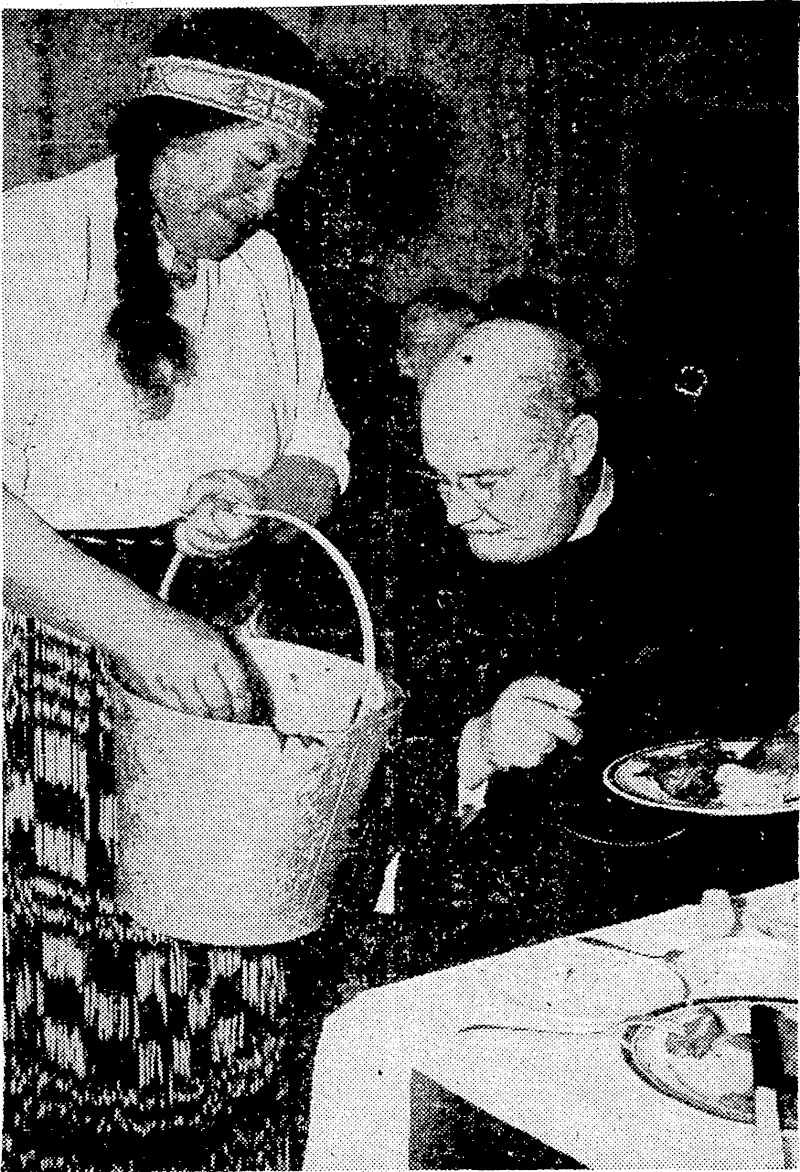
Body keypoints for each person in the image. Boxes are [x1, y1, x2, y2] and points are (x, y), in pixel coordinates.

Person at [3, 12, 353, 1170]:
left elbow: (322, 448)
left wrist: (258, 495)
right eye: (254, 162)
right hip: (61, 671)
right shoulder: (26, 242)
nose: (267, 200)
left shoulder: (260, 271)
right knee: (87, 994)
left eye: (286, 176)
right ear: (171, 128)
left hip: (222, 649)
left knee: (233, 962)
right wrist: (135, 626)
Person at [391, 318, 798, 972]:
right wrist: (477, 747)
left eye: (485, 481)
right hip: (489, 941)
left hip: (689, 924)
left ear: (576, 447)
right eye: (442, 479)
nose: (456, 514)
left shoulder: (710, 528)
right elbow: (361, 796)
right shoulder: (417, 558)